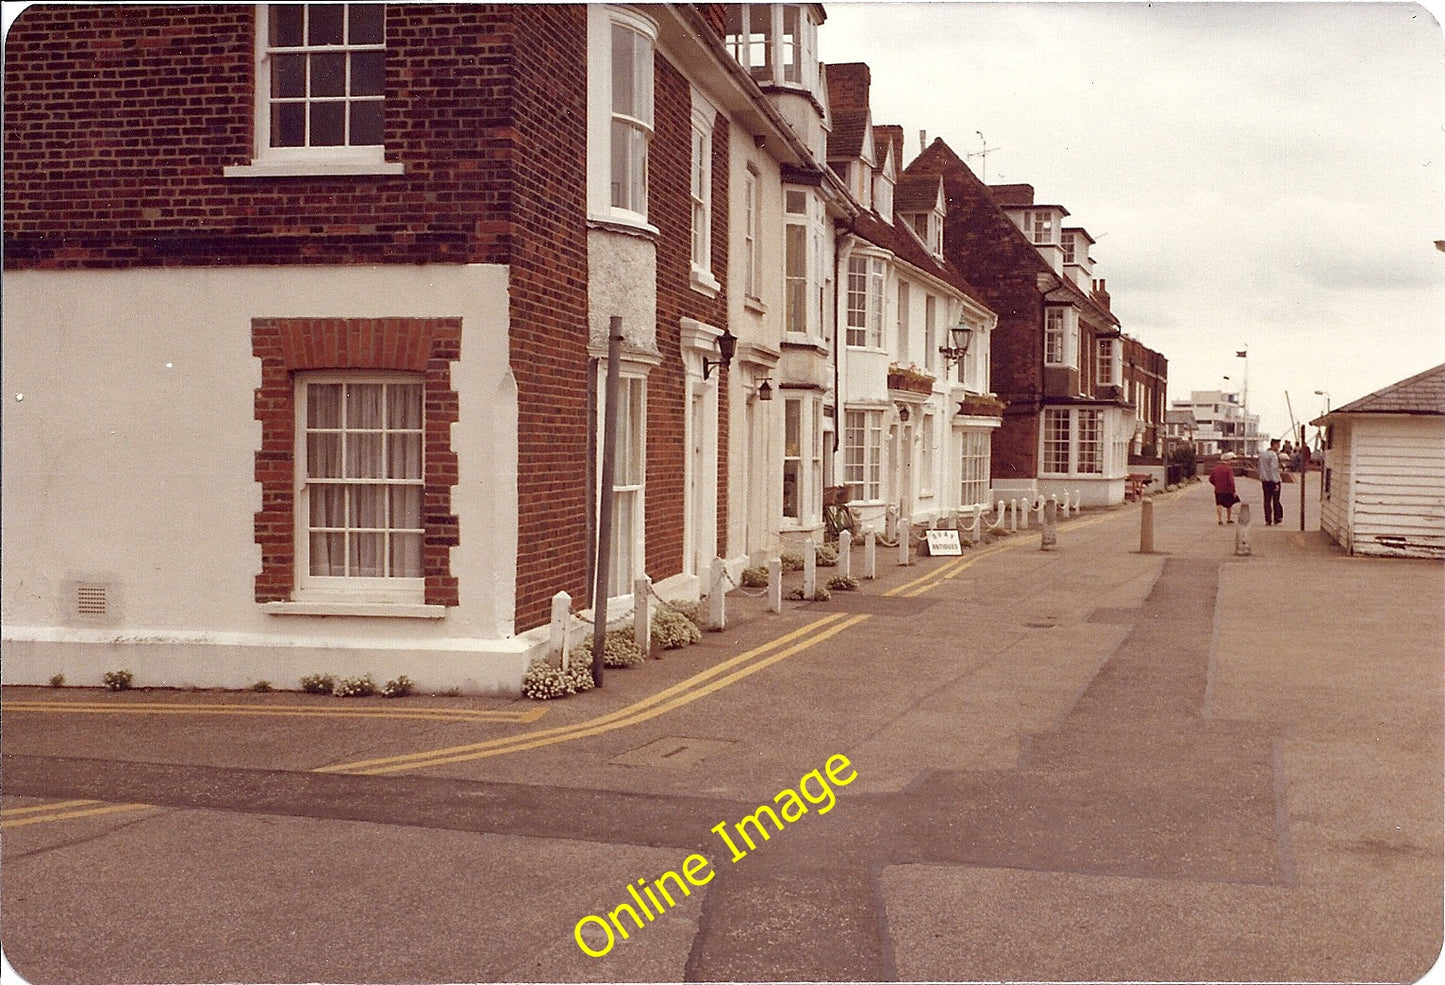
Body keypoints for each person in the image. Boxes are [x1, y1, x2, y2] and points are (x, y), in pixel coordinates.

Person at [1258, 438, 1284, 525]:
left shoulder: (1262, 454)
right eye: (1278, 445)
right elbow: (1274, 469)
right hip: (1273, 480)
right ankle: (1277, 518)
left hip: (1264, 481)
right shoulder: (1273, 455)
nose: (1279, 447)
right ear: (1274, 445)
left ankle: (1268, 520)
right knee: (1276, 500)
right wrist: (1276, 482)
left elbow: (1260, 468)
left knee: (1267, 500)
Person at [1209, 453, 1238, 525]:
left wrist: (1216, 484)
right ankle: (1228, 519)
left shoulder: (1216, 468)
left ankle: (1220, 519)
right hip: (1227, 490)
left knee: (1219, 504)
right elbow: (1231, 481)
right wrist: (1233, 490)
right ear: (1228, 460)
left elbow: (1211, 479)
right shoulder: (1228, 469)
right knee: (1229, 504)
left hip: (1218, 489)